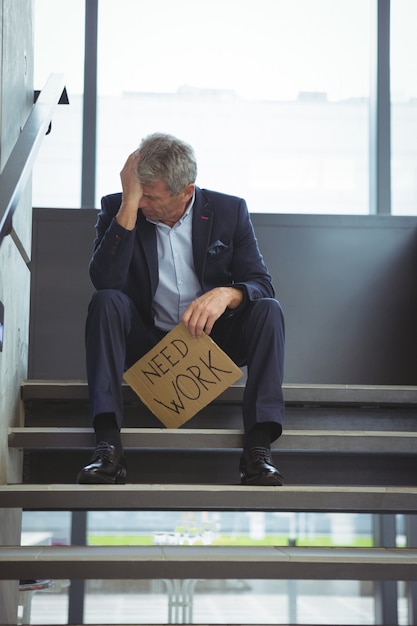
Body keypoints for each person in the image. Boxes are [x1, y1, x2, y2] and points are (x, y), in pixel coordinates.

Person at [77, 133, 285, 486]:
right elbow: (106, 281)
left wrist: (226, 294)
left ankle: (258, 449)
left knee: (268, 310)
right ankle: (108, 446)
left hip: (210, 343)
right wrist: (129, 205)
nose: (143, 204)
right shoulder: (122, 207)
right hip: (146, 342)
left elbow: (260, 283)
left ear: (186, 191)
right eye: (138, 193)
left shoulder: (229, 211)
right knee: (106, 302)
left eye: (151, 198)